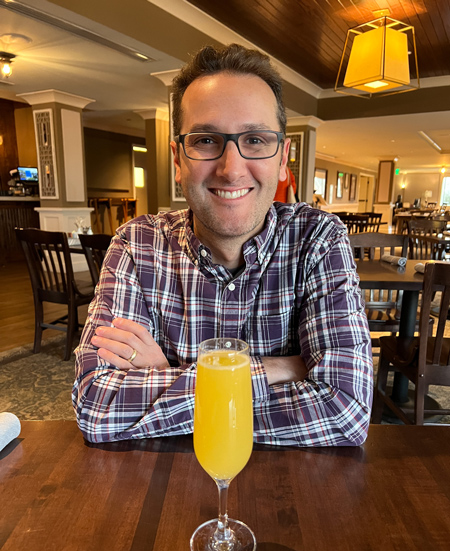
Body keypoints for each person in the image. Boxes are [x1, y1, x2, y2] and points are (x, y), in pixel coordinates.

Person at [73, 44, 373, 446]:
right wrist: (284, 368)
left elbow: (345, 410)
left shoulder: (318, 240)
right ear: (178, 159)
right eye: (206, 140)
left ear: (283, 159)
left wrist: (171, 372)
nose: (231, 169)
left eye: (255, 139)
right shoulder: (136, 244)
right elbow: (96, 407)